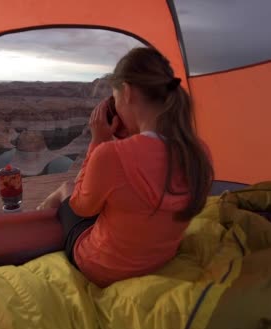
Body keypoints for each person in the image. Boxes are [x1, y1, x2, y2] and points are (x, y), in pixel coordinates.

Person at [36, 47, 214, 288]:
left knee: (67, 190)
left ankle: (38, 214)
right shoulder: (199, 152)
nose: (116, 107)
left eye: (115, 98)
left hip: (102, 268)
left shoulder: (110, 155)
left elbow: (81, 207)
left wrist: (97, 142)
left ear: (127, 92)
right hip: (159, 260)